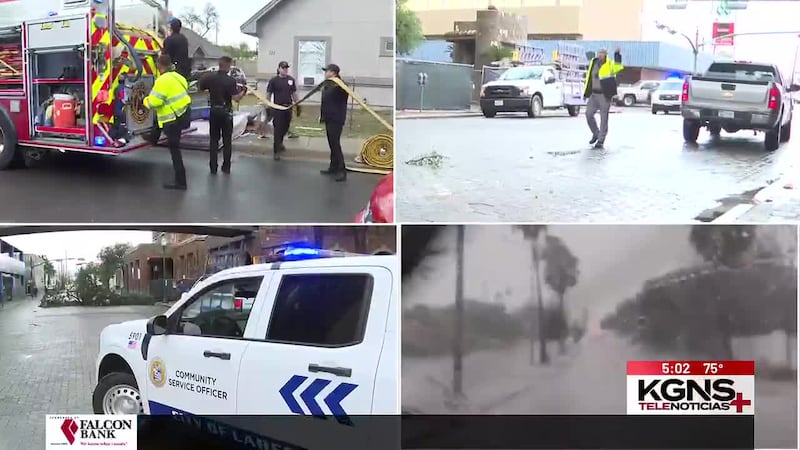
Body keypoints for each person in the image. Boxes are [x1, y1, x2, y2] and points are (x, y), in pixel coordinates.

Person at [144, 54, 192, 190]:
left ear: (159, 65)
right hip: (182, 116)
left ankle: (181, 182)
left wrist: (145, 101)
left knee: (175, 152)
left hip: (172, 120)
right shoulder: (179, 77)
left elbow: (155, 102)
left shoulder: (162, 80)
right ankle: (152, 139)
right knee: (175, 150)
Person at [197, 55, 247, 174]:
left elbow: (200, 88)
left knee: (214, 140)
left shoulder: (210, 78)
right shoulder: (230, 81)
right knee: (227, 140)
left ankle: (213, 167)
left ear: (219, 65)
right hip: (226, 113)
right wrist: (243, 92)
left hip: (214, 111)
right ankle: (226, 167)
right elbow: (236, 98)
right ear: (228, 66)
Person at [583, 47, 624, 149]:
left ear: (606, 54)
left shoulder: (610, 64)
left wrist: (617, 54)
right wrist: (586, 93)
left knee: (603, 118)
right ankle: (596, 133)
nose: (600, 54)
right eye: (599, 52)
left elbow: (618, 67)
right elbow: (589, 78)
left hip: (604, 95)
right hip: (593, 94)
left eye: (602, 53)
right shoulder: (593, 63)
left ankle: (601, 140)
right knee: (588, 114)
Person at [319, 63, 349, 182]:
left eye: (327, 71)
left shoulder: (339, 85)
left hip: (336, 119)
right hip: (328, 118)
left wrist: (340, 83)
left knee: (335, 144)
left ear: (333, 72)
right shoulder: (328, 84)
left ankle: (342, 170)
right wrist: (322, 116)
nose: (325, 73)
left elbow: (344, 92)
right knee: (332, 144)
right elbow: (326, 101)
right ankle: (333, 167)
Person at [267, 61, 299, 160]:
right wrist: (268, 105)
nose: (285, 70)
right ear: (279, 69)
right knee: (278, 129)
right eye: (283, 68)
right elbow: (268, 93)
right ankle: (276, 151)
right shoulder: (274, 80)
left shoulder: (291, 80)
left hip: (288, 107)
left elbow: (294, 93)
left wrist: (297, 104)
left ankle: (280, 143)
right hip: (277, 108)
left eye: (286, 68)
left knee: (285, 128)